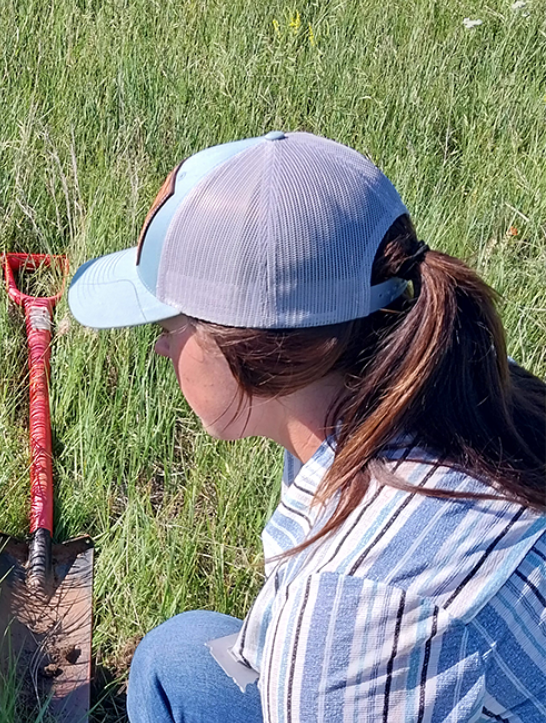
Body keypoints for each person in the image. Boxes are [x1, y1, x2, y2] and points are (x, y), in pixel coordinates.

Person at [67, 131, 546, 721]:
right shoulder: (449, 384)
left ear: (254, 353)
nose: (162, 350)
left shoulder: (348, 616)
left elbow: (349, 634)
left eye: (168, 325)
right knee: (177, 662)